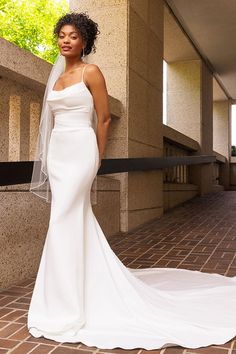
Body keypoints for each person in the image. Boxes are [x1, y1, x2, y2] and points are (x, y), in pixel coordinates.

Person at [27, 11, 236, 350]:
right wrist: (51, 156)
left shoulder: (91, 72)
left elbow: (105, 118)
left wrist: (96, 157)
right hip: (59, 153)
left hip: (81, 152)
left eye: (73, 36)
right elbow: (50, 122)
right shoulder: (56, 78)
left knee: (66, 216)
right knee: (65, 220)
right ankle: (62, 297)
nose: (66, 40)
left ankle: (67, 305)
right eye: (62, 35)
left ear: (84, 42)